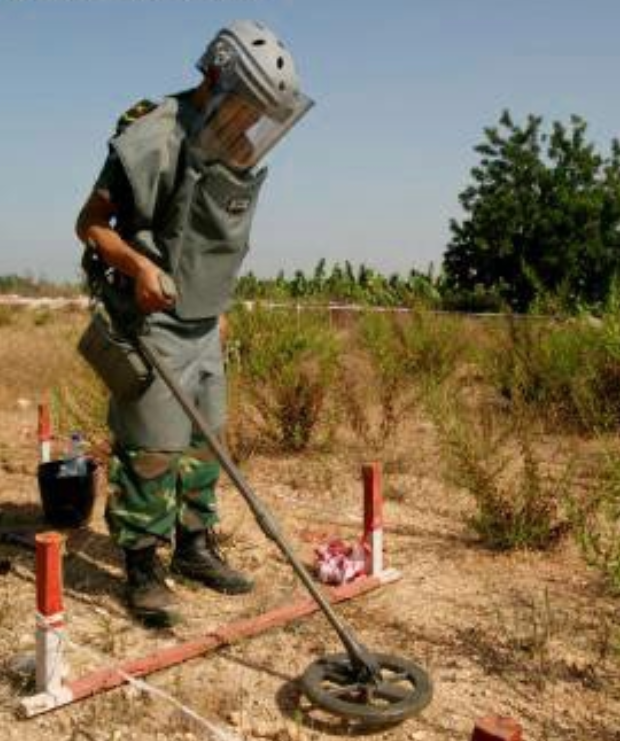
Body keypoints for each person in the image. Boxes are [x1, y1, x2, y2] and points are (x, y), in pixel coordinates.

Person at [75, 19, 313, 627]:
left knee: (206, 443)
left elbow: (210, 242)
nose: (251, 120)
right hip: (153, 318)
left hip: (204, 323)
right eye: (245, 103)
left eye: (260, 111)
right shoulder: (154, 133)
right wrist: (138, 266)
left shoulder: (232, 144)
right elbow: (90, 224)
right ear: (214, 75)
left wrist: (217, 306)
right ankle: (142, 570)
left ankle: (194, 548)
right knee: (152, 449)